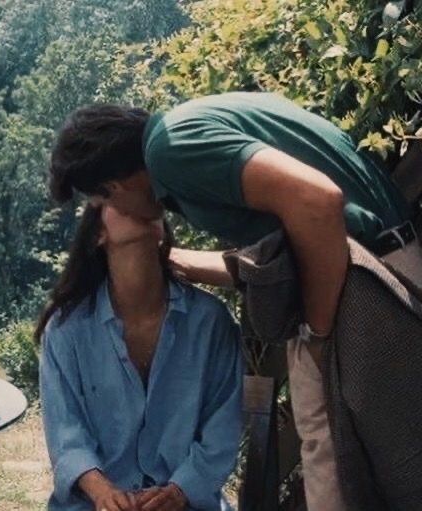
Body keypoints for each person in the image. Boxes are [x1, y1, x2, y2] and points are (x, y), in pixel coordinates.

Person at [48, 91, 421, 510]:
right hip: (380, 269)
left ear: (114, 184)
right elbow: (277, 259)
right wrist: (163, 261)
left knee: (337, 465)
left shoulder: (170, 149)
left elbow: (318, 201)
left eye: (102, 201)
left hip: (361, 285)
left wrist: (317, 331)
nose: (112, 210)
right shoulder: (195, 122)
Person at [37, 204, 243, 511]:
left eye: (148, 196)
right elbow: (66, 433)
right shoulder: (67, 328)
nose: (138, 200)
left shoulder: (210, 322)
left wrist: (179, 491)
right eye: (118, 195)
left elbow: (222, 429)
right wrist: (103, 492)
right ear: (98, 233)